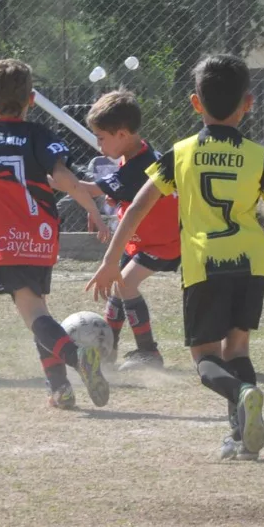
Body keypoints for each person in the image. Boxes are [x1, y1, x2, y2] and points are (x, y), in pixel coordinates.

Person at [86, 55, 264, 460]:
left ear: (195, 103)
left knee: (205, 359)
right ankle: (241, 438)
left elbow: (134, 211)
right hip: (251, 264)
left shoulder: (180, 154)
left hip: (204, 265)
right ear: (248, 104)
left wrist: (112, 260)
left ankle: (242, 395)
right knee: (238, 350)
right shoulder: (258, 156)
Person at [0, 59, 111, 409]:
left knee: (34, 315)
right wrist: (93, 211)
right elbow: (63, 179)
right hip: (42, 234)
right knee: (38, 310)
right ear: (31, 99)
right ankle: (59, 389)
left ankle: (76, 359)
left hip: (5, 238)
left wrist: (0, 207)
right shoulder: (41, 135)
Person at [75, 90, 180, 371]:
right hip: (139, 240)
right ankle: (108, 353)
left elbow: (90, 189)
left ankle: (149, 353)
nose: (99, 146)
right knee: (116, 290)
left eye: (101, 137)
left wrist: (47, 178)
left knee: (125, 285)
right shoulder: (134, 155)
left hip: (162, 243)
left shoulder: (141, 166)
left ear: (121, 134)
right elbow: (120, 197)